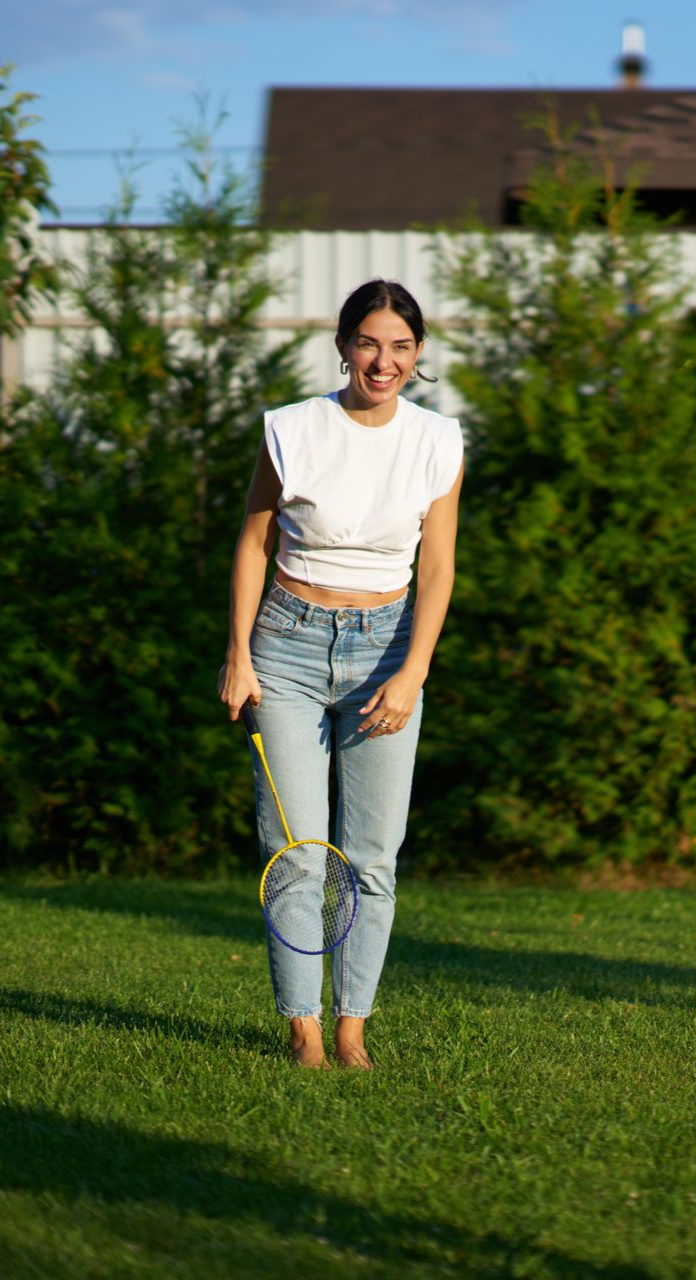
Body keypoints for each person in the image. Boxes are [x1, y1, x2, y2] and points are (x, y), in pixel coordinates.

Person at [219, 278, 463, 1070]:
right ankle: (305, 1033)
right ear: (343, 345)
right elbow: (255, 543)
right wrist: (238, 653)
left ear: (417, 355)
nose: (382, 361)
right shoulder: (292, 430)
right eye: (368, 343)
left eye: (399, 346)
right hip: (286, 646)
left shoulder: (437, 442)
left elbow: (438, 568)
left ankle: (353, 1027)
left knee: (373, 856)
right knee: (297, 851)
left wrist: (413, 671)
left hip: (388, 649)